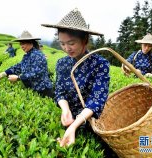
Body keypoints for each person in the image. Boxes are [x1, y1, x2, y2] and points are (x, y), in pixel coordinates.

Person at [42, 8, 110, 147]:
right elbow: (60, 92)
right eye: (62, 43)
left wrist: (75, 125)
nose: (66, 48)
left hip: (91, 122)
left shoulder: (100, 64)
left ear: (84, 40)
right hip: (68, 119)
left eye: (71, 43)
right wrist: (65, 110)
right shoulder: (62, 63)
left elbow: (97, 100)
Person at [0, 31, 53, 98]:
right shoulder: (28, 55)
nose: (21, 46)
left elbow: (36, 72)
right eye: (20, 44)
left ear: (31, 43)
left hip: (43, 90)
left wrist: (18, 78)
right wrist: (5, 73)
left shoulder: (38, 55)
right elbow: (19, 66)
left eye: (23, 43)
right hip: (33, 89)